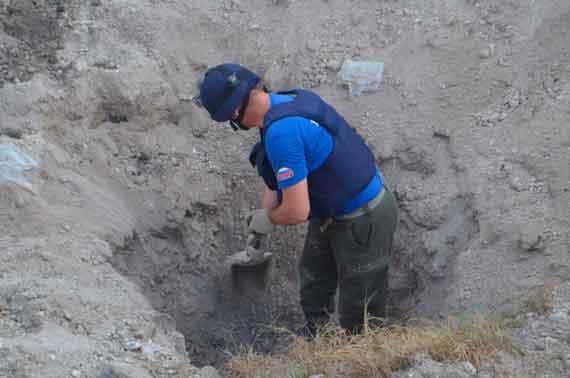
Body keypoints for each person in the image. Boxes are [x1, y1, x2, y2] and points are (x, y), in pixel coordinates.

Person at [194, 63, 398, 335]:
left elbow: (298, 210)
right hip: (331, 211)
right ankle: (319, 340)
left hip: (364, 218)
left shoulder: (282, 134)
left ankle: (364, 355)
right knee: (314, 280)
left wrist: (269, 218)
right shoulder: (284, 103)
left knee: (360, 308)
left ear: (233, 112)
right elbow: (278, 181)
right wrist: (259, 229)